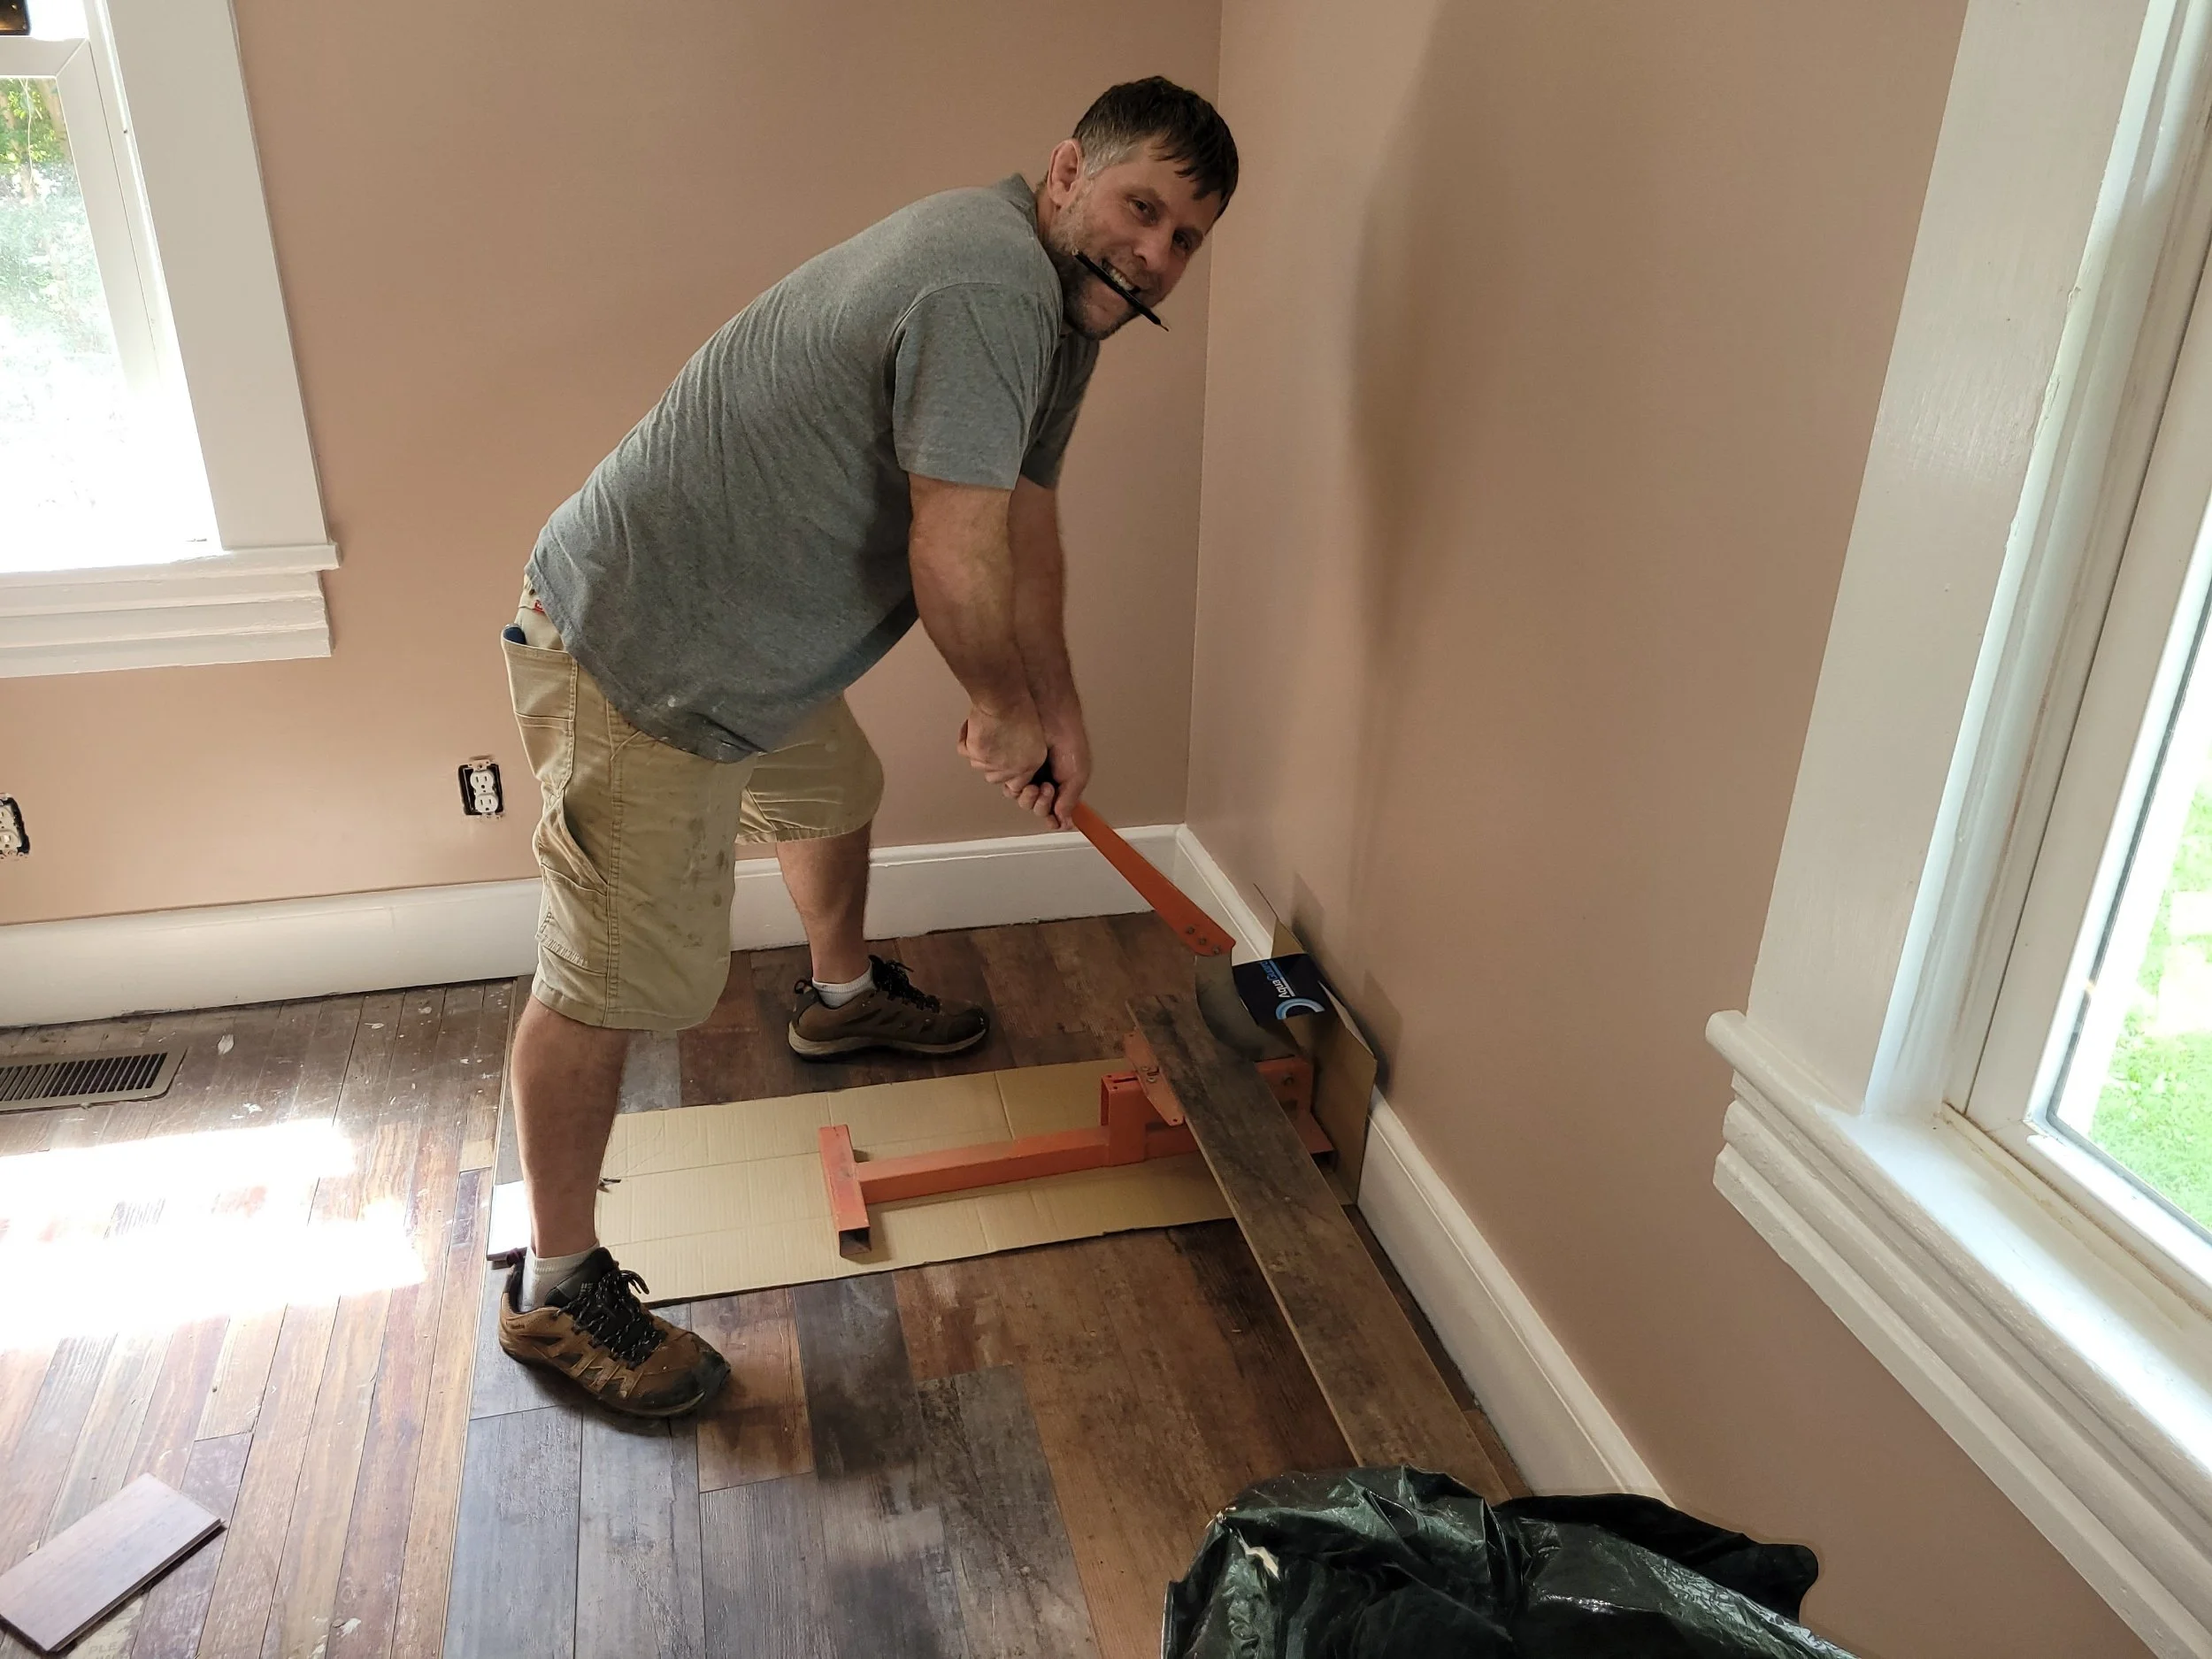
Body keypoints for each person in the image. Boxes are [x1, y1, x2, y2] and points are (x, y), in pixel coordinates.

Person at [492, 77, 1238, 1417]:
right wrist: (1001, 705)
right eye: (1143, 208)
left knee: (834, 789)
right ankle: (556, 1286)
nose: (1157, 255)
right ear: (1067, 171)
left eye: (1187, 238)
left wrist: (1053, 703)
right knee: (613, 975)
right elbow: (951, 550)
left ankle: (840, 1003)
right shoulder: (990, 289)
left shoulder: (1065, 314)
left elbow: (1022, 521)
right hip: (642, 654)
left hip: (752, 644)